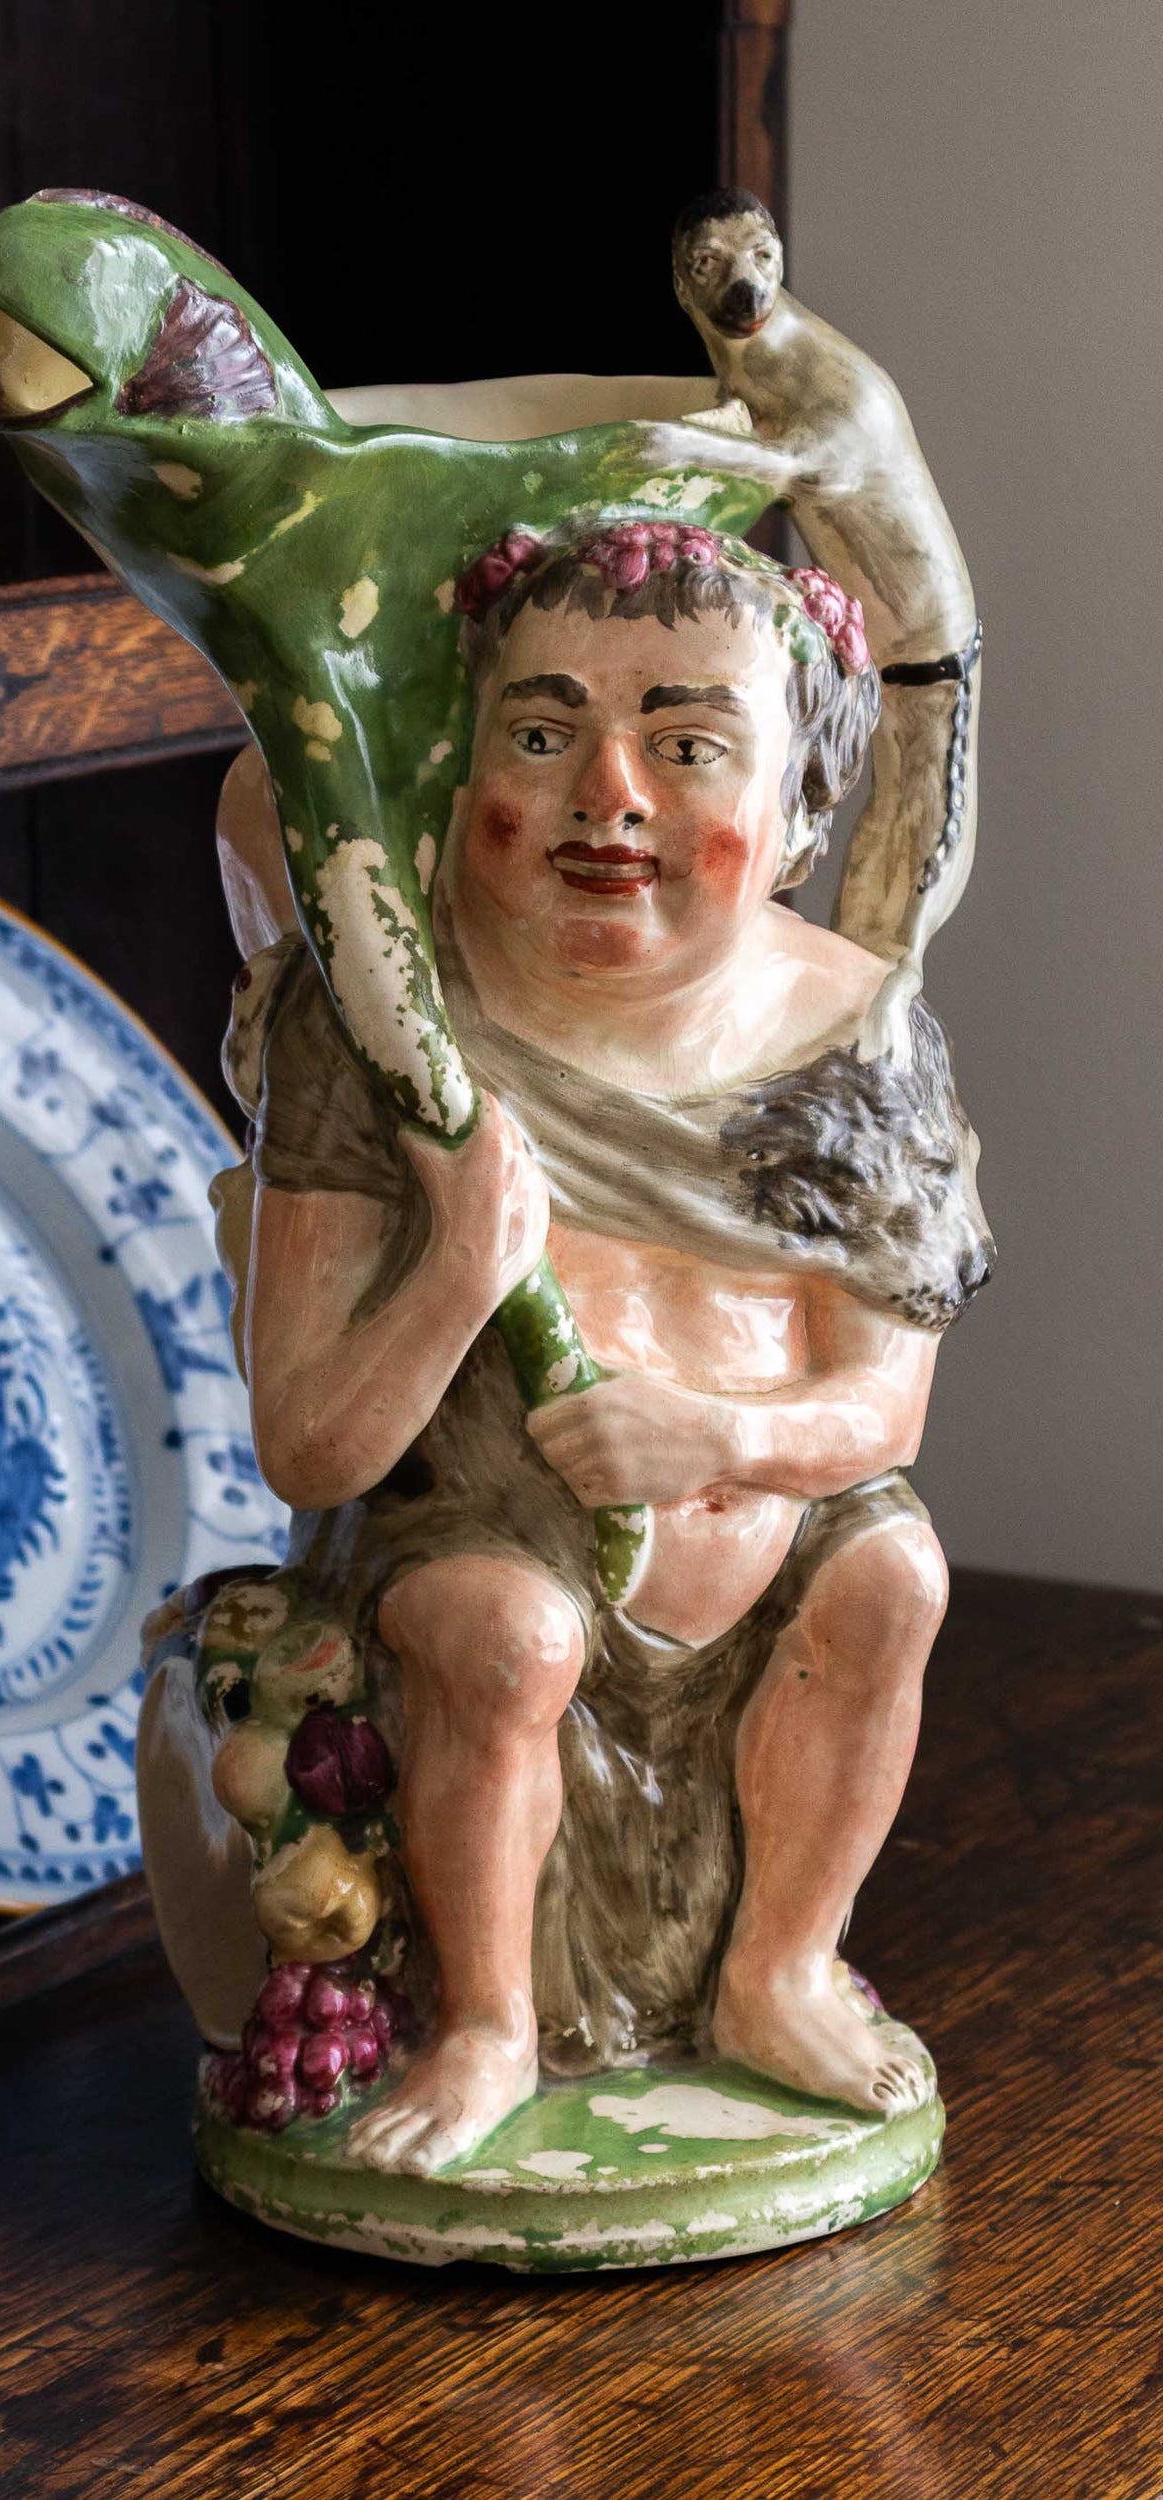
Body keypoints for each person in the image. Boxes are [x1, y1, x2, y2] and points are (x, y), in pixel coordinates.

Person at [231, 519, 991, 2177]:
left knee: (892, 1581)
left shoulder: (846, 1039)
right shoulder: (384, 1027)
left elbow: (887, 1397)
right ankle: (490, 2024)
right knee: (501, 1634)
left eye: (689, 743)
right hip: (484, 1542)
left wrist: (714, 1439)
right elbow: (307, 1447)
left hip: (755, 1528)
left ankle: (777, 1968)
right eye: (543, 730)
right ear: (460, 766)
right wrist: (458, 1270)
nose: (610, 795)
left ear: (792, 814)